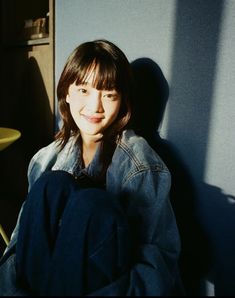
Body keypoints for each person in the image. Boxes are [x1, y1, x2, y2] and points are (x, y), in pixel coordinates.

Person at [0, 39, 183, 296]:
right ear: (67, 92)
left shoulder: (141, 165)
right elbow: (20, 247)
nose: (95, 107)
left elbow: (158, 263)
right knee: (53, 184)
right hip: (45, 282)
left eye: (109, 95)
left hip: (110, 286)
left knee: (90, 203)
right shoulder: (45, 159)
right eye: (84, 90)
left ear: (122, 102)